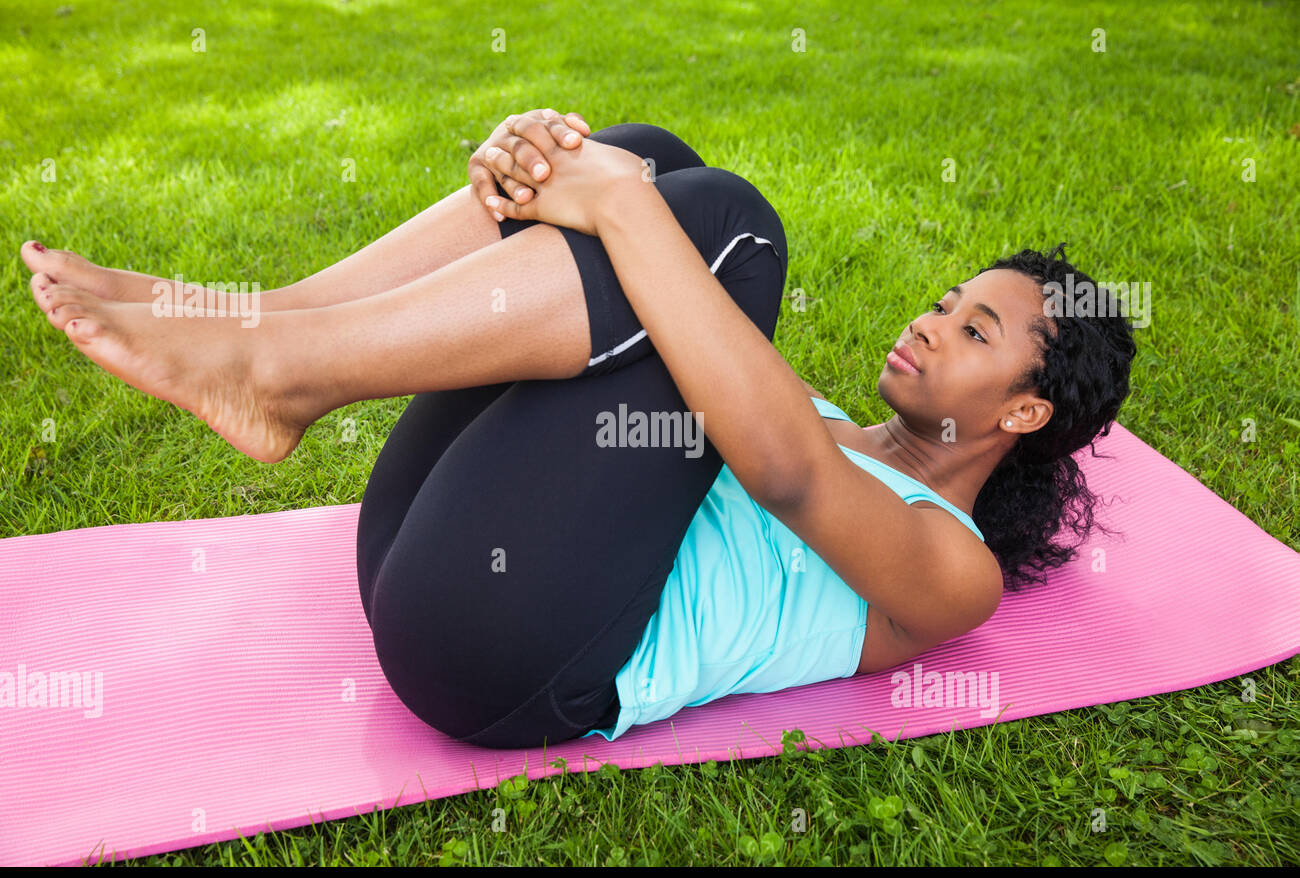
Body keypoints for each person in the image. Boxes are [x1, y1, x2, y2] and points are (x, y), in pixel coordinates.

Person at [19, 109, 1137, 749]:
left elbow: (787, 473)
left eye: (973, 328)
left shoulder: (953, 567)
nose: (929, 321)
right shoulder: (817, 407)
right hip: (419, 555)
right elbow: (685, 338)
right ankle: (268, 323)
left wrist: (608, 201)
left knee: (722, 228)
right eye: (946, 300)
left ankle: (281, 374)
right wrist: (532, 183)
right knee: (653, 157)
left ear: (1024, 411)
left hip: (503, 661)